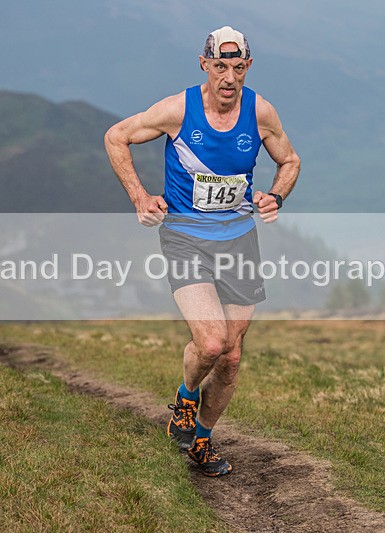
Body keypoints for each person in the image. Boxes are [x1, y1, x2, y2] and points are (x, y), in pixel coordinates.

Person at [104, 26, 300, 477]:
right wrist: (139, 196)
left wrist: (277, 195)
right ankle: (186, 398)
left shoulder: (261, 111)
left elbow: (290, 161)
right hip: (185, 237)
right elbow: (116, 137)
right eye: (220, 67)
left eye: (237, 68)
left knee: (230, 355)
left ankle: (202, 442)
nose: (229, 78)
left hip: (238, 239)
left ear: (247, 66)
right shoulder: (178, 109)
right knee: (210, 341)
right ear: (204, 64)